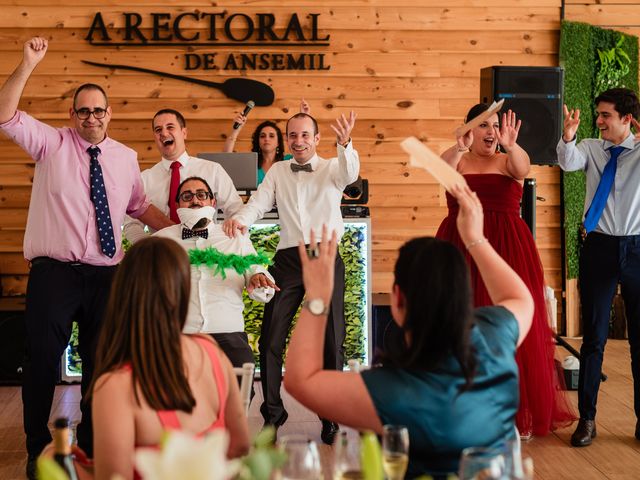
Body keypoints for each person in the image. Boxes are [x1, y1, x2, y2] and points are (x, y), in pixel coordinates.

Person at [0, 37, 173, 478]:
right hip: (54, 273)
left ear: (109, 114)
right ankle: (40, 451)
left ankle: (94, 448)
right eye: (83, 110)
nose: (91, 117)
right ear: (72, 115)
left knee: (105, 365)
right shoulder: (51, 144)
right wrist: (27, 64)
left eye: (99, 110)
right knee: (41, 359)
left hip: (106, 276)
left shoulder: (126, 157)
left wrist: (184, 229)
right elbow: (5, 115)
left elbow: (138, 208)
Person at [283, 185, 534, 477]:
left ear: (398, 299)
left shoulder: (388, 391)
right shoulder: (496, 337)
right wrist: (476, 239)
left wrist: (317, 296)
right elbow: (520, 299)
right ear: (464, 295)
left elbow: (300, 380)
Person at [436, 103, 575, 439]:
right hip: (460, 244)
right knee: (462, 325)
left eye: (495, 126)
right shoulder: (458, 158)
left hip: (507, 247)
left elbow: (522, 167)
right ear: (469, 128)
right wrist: (459, 145)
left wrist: (512, 145)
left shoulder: (508, 159)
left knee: (508, 326)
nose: (491, 132)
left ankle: (515, 413)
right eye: (483, 126)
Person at [223, 111, 359, 444]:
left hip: (325, 257)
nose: (297, 141)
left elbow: (350, 172)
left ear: (316, 139)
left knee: (332, 340)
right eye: (292, 136)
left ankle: (330, 415)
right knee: (270, 338)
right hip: (287, 260)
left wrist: (346, 144)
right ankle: (273, 414)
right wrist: (240, 220)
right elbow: (257, 203)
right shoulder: (279, 171)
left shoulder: (332, 167)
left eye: (304, 135)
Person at [90, 237, 250, 480]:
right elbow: (240, 447)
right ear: (182, 292)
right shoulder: (210, 350)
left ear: (122, 292)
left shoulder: (114, 386)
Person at [558, 88, 640, 447]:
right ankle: (587, 421)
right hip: (600, 246)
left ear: (627, 119)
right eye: (599, 114)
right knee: (593, 339)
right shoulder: (591, 147)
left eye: (606, 115)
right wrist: (569, 135)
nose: (599, 121)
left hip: (638, 248)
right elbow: (566, 161)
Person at [154, 176, 277, 377]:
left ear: (213, 202)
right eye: (187, 196)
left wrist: (259, 279)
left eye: (201, 195)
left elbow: (259, 278)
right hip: (178, 337)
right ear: (177, 205)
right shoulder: (161, 240)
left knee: (240, 392)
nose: (195, 200)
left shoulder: (235, 238)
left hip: (229, 336)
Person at [123, 108, 243, 243]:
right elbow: (131, 224)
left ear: (184, 133)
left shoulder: (212, 170)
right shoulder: (144, 179)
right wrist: (150, 250)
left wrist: (224, 242)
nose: (163, 133)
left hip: (207, 253)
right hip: (164, 255)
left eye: (170, 127)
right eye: (158, 130)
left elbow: (236, 210)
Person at [223, 100, 310, 184]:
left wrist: (304, 118)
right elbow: (227, 158)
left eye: (271, 136)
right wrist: (236, 130)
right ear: (258, 141)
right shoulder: (250, 164)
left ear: (278, 142)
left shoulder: (289, 161)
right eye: (262, 136)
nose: (267, 139)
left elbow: (306, 153)